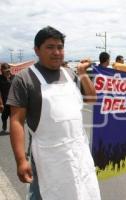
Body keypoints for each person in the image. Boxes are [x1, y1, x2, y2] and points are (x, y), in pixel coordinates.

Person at [8, 26, 101, 200]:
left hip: (77, 150)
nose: (57, 52)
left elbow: (91, 99)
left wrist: (82, 73)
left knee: (81, 192)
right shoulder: (25, 78)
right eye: (50, 47)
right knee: (44, 193)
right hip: (47, 155)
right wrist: (21, 160)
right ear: (37, 50)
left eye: (60, 47)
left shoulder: (70, 74)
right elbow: (16, 121)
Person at [0, 62, 14, 132]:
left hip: (13, 101)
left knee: (13, 117)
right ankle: (4, 127)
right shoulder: (0, 79)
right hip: (4, 101)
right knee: (4, 117)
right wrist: (1, 103)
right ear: (2, 71)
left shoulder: (13, 77)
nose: (8, 72)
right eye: (6, 71)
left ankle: (13, 129)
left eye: (9, 70)